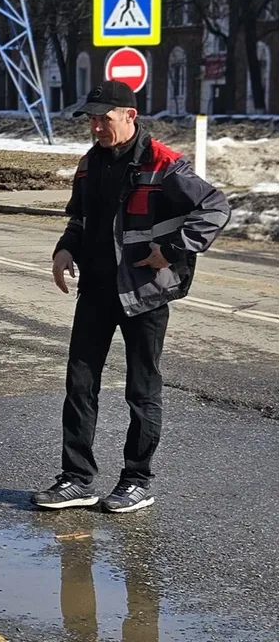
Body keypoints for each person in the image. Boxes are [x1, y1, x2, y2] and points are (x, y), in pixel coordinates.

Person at [32, 80, 230, 513]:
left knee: (141, 391)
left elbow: (215, 207)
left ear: (129, 116)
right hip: (96, 290)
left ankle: (137, 481)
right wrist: (65, 249)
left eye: (104, 118)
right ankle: (77, 479)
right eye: (91, 119)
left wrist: (173, 250)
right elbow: (80, 218)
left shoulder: (163, 163)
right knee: (79, 385)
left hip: (144, 294)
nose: (96, 127)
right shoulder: (89, 163)